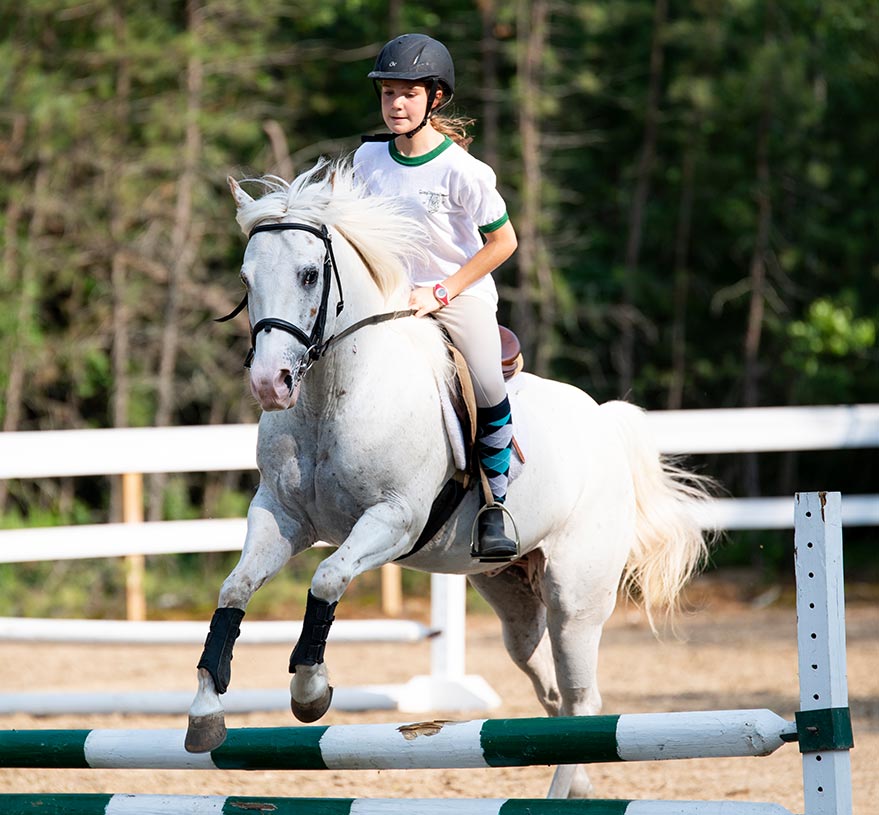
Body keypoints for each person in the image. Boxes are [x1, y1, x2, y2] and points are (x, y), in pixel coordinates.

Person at [353, 33, 519, 562]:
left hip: (457, 293)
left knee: (488, 383)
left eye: (407, 94)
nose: (396, 105)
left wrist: (443, 290)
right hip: (390, 295)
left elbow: (504, 242)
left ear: (434, 99)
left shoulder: (462, 171)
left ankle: (497, 503)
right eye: (388, 94)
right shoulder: (366, 160)